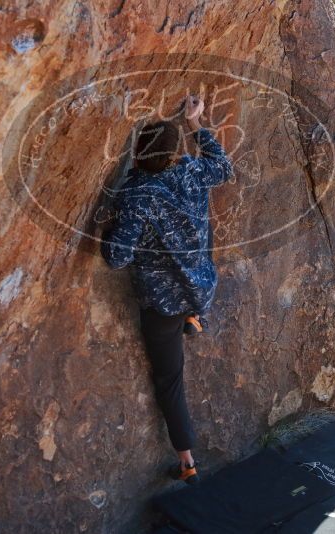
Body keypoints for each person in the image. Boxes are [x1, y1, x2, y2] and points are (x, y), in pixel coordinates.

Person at [100, 94, 233, 484]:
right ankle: (194, 319)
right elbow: (223, 168)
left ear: (139, 154)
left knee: (170, 380)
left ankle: (187, 461)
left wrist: (108, 225)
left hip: (161, 304)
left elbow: (116, 258)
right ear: (175, 153)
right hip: (201, 288)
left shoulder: (137, 195)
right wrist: (196, 122)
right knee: (188, 304)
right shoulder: (190, 172)